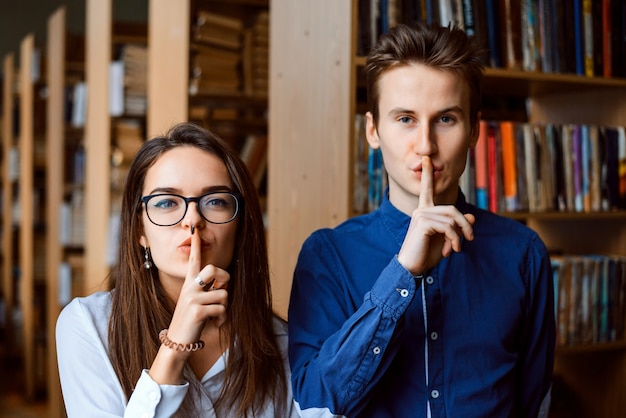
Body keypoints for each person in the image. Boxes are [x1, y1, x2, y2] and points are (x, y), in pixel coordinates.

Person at [288, 22, 555, 418]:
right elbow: (315, 402)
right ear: (373, 130)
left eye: (445, 119)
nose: (426, 145)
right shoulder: (327, 256)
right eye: (405, 119)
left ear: (474, 130)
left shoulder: (523, 253)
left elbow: (532, 403)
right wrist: (401, 274)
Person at [57, 122, 297, 417]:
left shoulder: (283, 344)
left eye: (216, 201)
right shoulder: (88, 326)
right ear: (138, 231)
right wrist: (175, 346)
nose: (193, 219)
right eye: (167, 202)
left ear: (241, 226)